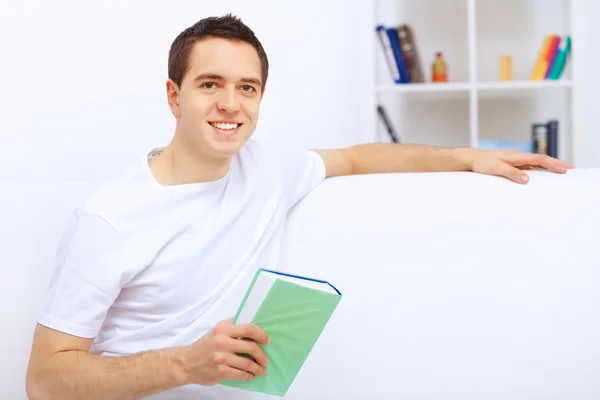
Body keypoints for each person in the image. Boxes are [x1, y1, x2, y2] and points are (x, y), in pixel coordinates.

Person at [25, 13, 572, 400]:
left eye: (248, 88)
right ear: (174, 95)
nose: (230, 105)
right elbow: (44, 381)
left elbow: (358, 159)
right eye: (210, 84)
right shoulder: (111, 218)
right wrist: (183, 364)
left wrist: (464, 155)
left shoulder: (267, 168)